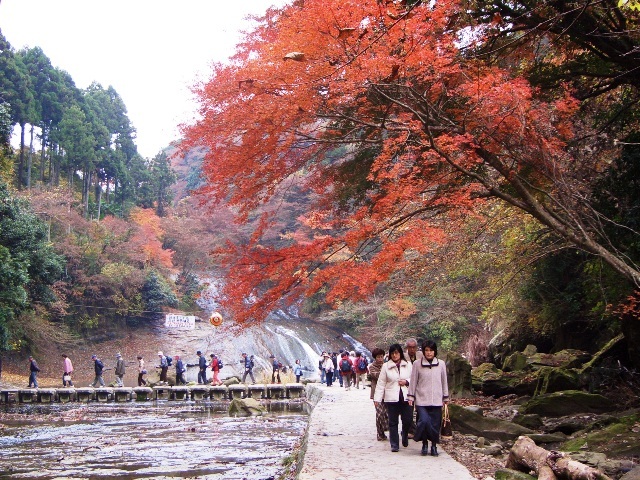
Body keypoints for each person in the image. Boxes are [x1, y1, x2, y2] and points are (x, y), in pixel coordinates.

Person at [408, 340, 449, 457]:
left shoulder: (441, 364)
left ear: (435, 351)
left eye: (431, 350)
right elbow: (413, 381)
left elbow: (444, 381)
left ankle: (434, 446)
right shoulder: (417, 364)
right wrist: (411, 396)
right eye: (426, 350)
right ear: (423, 351)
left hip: (437, 399)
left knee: (435, 424)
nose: (429, 353)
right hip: (422, 399)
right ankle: (424, 443)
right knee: (424, 421)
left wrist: (445, 397)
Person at [373, 343, 413, 452]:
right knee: (393, 422)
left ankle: (404, 433)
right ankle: (394, 444)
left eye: (396, 353)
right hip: (391, 397)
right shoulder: (386, 366)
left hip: (406, 396)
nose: (395, 355)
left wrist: (406, 381)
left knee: (407, 420)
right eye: (392, 353)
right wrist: (377, 398)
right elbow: (381, 383)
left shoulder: (408, 365)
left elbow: (414, 380)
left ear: (400, 353)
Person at [368, 347, 389, 441]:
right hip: (376, 393)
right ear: (375, 358)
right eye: (378, 357)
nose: (380, 359)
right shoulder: (371, 367)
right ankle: (380, 433)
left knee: (386, 413)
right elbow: (377, 376)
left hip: (387, 392)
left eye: (381, 357)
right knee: (380, 413)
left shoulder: (387, 365)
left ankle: (383, 432)